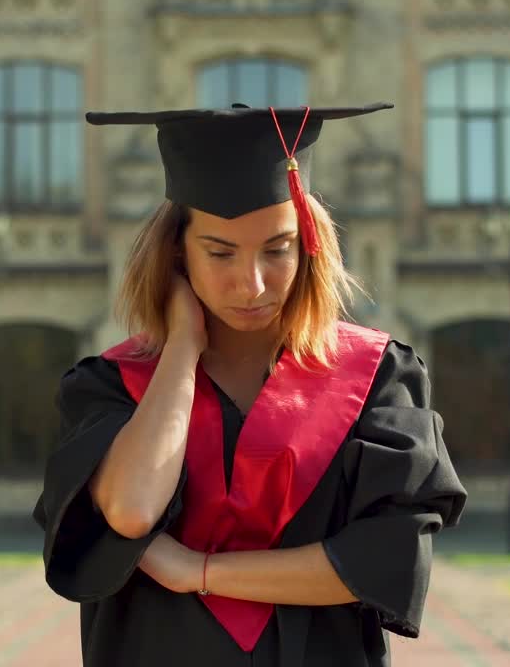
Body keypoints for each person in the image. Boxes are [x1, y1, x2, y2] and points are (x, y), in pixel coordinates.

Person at [32, 102, 467, 667]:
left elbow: (382, 563)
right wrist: (182, 349)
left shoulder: (377, 379)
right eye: (219, 252)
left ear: (310, 246)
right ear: (175, 253)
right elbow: (132, 511)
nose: (252, 283)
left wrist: (198, 572)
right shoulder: (111, 387)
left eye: (277, 249)